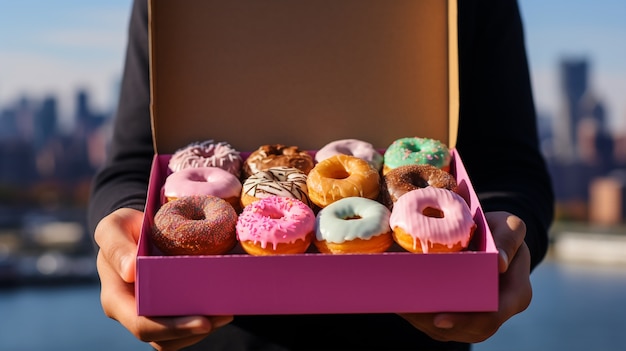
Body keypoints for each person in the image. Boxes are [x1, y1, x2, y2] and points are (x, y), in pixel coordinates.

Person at [88, 0, 554, 350]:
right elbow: (133, 165)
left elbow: (511, 165)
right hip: (218, 339)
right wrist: (122, 226)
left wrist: (508, 234)